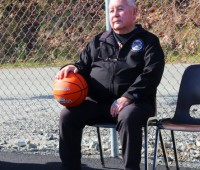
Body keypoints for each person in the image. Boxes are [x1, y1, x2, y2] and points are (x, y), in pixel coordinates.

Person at [56, 0, 165, 169]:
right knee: (68, 115)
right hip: (99, 104)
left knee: (128, 117)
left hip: (136, 104)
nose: (114, 14)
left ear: (134, 12)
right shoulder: (98, 41)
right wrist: (72, 68)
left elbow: (151, 74)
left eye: (120, 9)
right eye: (112, 10)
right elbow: (82, 66)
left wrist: (128, 97)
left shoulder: (149, 42)